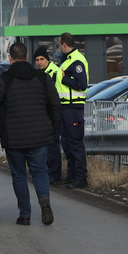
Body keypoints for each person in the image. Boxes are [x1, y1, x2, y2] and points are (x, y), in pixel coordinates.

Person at [0, 42, 60, 225]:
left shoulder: (5, 80)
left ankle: (25, 214)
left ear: (10, 58)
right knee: (40, 172)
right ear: (27, 57)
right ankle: (44, 198)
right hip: (39, 136)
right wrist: (53, 130)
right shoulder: (42, 78)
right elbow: (55, 105)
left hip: (14, 138)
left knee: (19, 175)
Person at [53, 32, 89, 189]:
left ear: (64, 44)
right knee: (67, 143)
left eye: (59, 44)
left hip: (73, 107)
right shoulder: (67, 61)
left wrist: (64, 78)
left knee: (75, 143)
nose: (58, 48)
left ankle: (81, 178)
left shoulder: (77, 60)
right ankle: (71, 175)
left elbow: (82, 84)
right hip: (65, 107)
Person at [34, 46, 62, 186]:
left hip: (52, 113)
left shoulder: (55, 72)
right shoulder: (37, 74)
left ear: (47, 59)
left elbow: (55, 96)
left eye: (41, 59)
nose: (39, 62)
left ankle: (55, 174)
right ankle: (47, 173)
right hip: (42, 114)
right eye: (37, 60)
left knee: (52, 145)